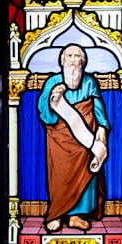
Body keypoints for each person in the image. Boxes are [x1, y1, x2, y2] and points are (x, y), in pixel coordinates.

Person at [36, 44, 110, 232]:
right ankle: (57, 214)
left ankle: (77, 215)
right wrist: (54, 98)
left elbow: (97, 104)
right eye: (70, 55)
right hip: (60, 140)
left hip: (86, 139)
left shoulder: (89, 82)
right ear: (62, 61)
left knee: (86, 174)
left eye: (78, 57)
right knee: (60, 174)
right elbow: (45, 112)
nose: (74, 60)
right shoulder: (52, 81)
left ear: (83, 62)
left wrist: (102, 126)